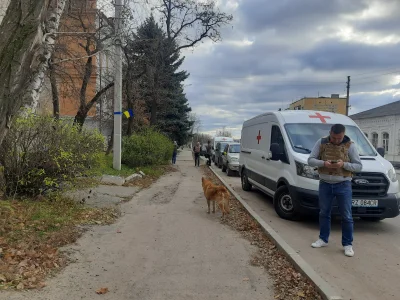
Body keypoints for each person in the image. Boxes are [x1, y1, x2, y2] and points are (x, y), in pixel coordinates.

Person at [308, 124, 362, 257]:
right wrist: (323, 163)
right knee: (324, 213)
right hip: (325, 184)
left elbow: (358, 166)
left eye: (339, 138)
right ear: (330, 133)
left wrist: (343, 164)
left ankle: (348, 245)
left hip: (343, 184)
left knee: (347, 216)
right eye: (334, 138)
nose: (336, 140)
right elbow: (310, 160)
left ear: (343, 135)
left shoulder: (350, 145)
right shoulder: (321, 142)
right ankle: (323, 239)